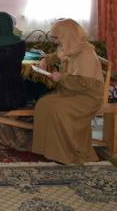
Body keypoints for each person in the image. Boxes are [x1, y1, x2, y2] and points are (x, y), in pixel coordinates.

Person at [32, 19, 104, 164]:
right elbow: (56, 56)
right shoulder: (68, 47)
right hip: (71, 92)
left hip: (87, 96)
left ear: (67, 36)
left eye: (57, 37)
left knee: (57, 109)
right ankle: (48, 149)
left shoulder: (86, 54)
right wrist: (45, 60)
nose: (55, 41)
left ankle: (69, 153)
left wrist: (61, 78)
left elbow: (84, 84)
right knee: (43, 103)